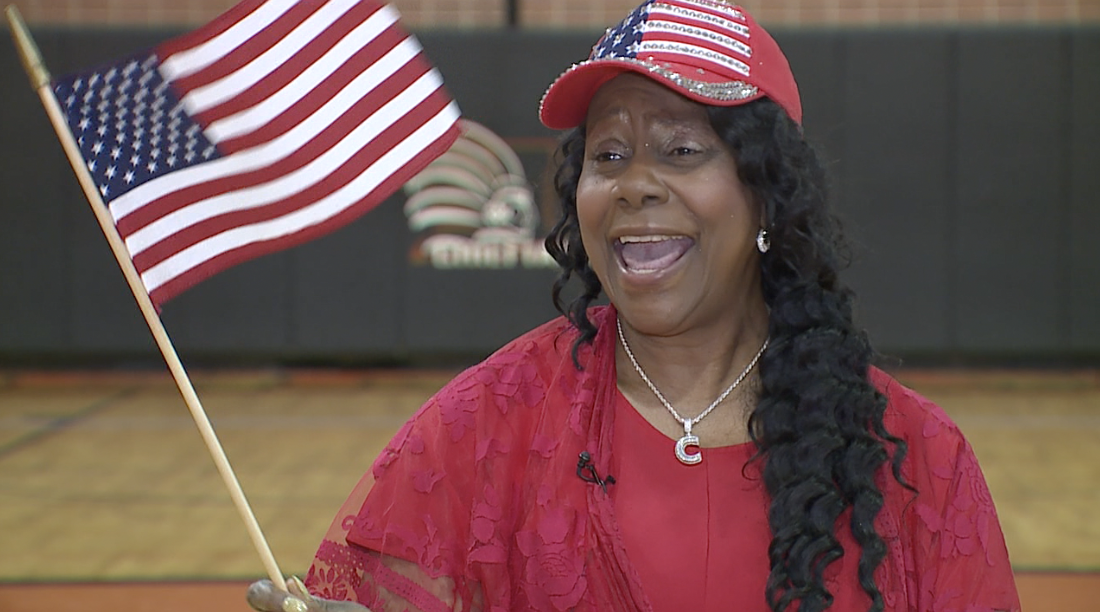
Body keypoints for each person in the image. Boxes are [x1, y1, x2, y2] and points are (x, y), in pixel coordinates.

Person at [247, 1, 1021, 610]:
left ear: (767, 196)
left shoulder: (917, 460)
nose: (635, 182)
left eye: (681, 150)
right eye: (608, 155)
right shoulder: (482, 428)